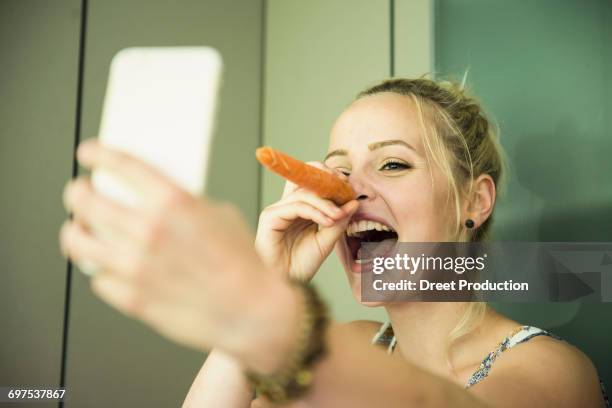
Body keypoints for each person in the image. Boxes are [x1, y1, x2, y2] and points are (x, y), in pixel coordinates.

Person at [60, 78, 609, 407]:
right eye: (339, 171)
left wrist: (261, 313)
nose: (352, 191)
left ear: (475, 201)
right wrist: (271, 281)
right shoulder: (352, 341)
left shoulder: (548, 371)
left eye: (393, 163)